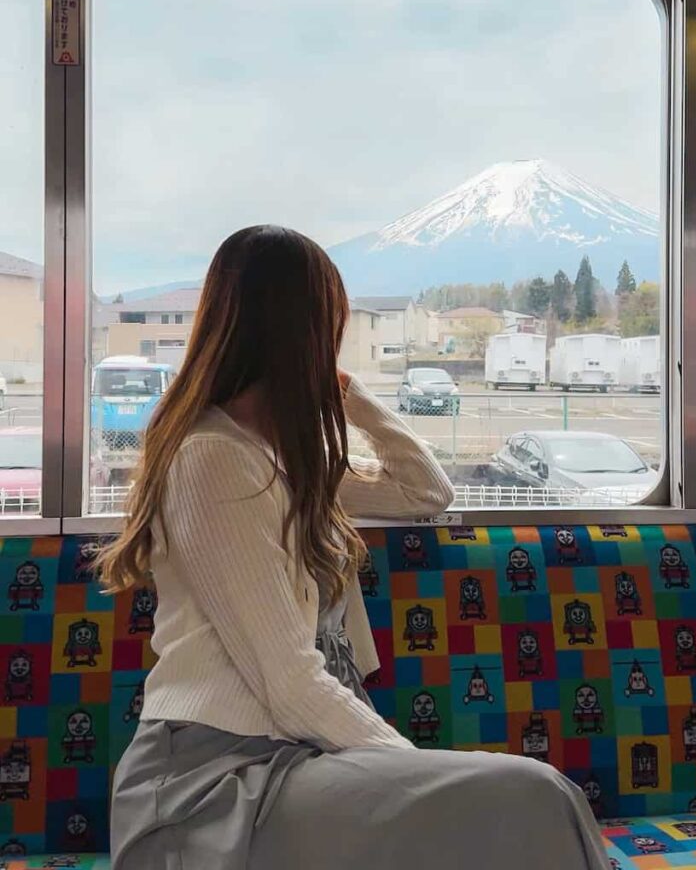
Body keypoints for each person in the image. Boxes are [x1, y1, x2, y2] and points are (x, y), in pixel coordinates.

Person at [99, 226, 610, 870]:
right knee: (533, 796)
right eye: (330, 327)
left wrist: (353, 399)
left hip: (294, 757)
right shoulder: (214, 460)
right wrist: (420, 775)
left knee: (527, 803)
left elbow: (427, 491)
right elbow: (289, 683)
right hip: (216, 783)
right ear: (302, 333)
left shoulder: (286, 456)